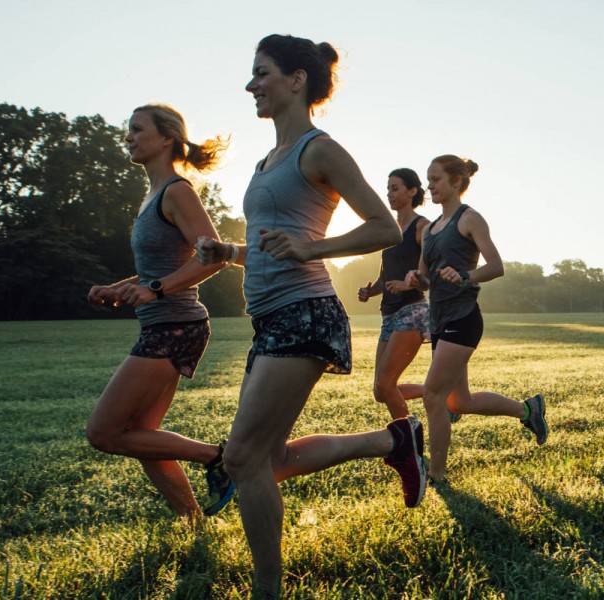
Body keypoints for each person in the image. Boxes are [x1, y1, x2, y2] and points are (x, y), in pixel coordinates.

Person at [194, 34, 425, 597]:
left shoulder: (319, 150)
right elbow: (277, 243)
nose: (251, 84)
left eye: (261, 72)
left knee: (243, 458)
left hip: (306, 310)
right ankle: (391, 443)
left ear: (297, 80)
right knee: (268, 459)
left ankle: (267, 590)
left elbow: (384, 227)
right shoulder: (266, 159)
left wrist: (310, 250)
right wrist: (230, 253)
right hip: (271, 315)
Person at [85, 103, 235, 520]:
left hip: (176, 326)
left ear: (166, 137)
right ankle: (193, 523)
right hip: (165, 322)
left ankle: (217, 457)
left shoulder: (177, 191)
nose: (128, 136)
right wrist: (123, 287)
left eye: (137, 129)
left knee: (104, 432)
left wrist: (154, 288)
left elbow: (212, 256)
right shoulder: (151, 196)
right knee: (143, 436)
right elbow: (160, 267)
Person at [403, 154, 548, 485]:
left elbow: (496, 266)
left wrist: (466, 276)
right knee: (459, 400)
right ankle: (529, 411)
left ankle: (436, 474)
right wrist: (416, 279)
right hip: (439, 320)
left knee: (433, 395)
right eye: (428, 180)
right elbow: (427, 279)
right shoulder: (429, 231)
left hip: (464, 318)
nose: (430, 186)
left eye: (436, 179)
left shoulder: (470, 220)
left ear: (456, 182)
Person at [357, 168, 430, 419]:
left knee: (386, 385)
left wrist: (408, 284)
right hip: (388, 315)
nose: (389, 194)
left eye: (395, 188)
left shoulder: (422, 227)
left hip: (412, 311)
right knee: (380, 391)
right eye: (388, 188)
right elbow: (384, 278)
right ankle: (436, 391)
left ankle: (408, 444)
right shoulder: (390, 229)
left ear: (412, 191)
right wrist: (370, 291)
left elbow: (431, 274)